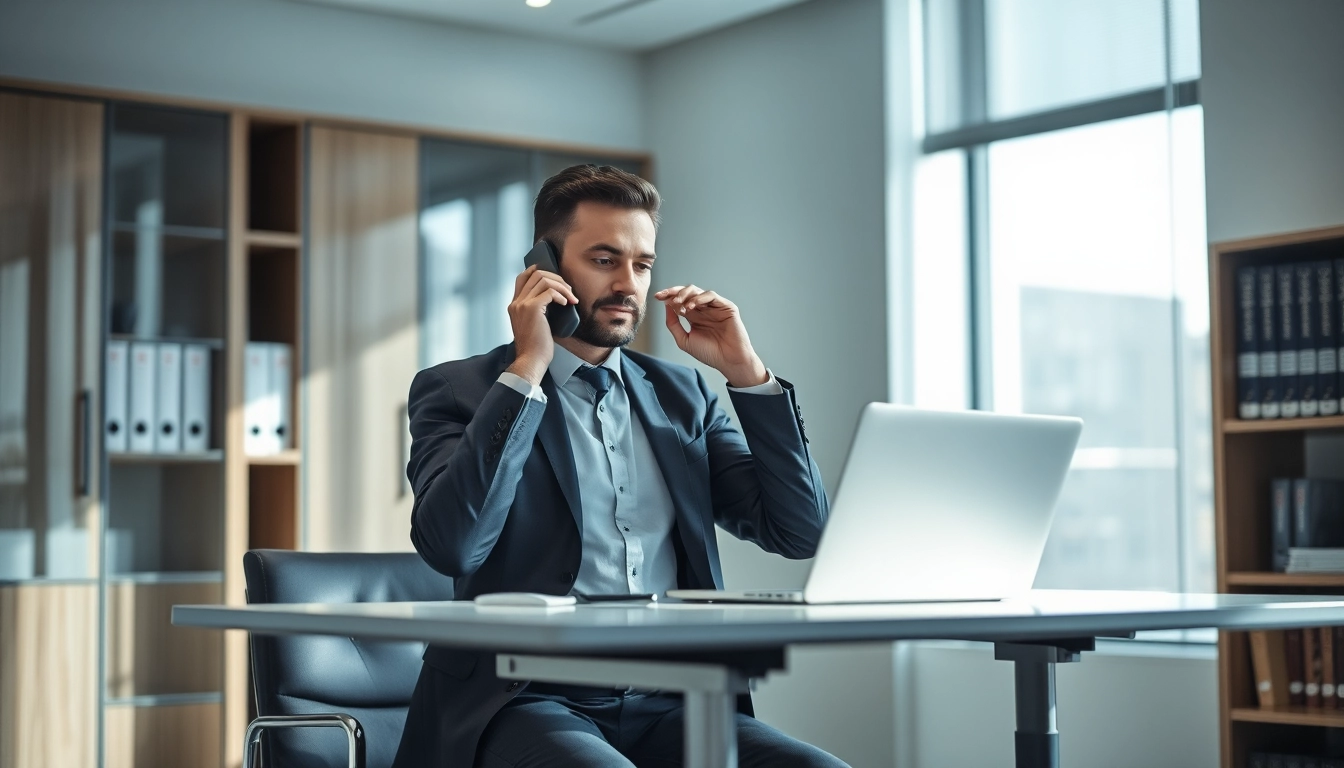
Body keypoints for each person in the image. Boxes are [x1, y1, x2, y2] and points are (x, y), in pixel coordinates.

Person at [393, 164, 846, 768]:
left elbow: (799, 531)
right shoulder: (461, 389)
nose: (629, 284)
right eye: (605, 260)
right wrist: (529, 366)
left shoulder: (684, 394)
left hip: (676, 699)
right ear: (544, 268)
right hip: (526, 697)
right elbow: (454, 545)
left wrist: (747, 374)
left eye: (643, 264)